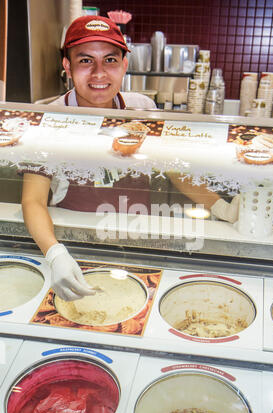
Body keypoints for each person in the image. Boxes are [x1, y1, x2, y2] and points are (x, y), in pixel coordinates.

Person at [21, 15, 239, 302]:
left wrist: (221, 207)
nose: (99, 73)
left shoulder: (142, 109)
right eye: (86, 61)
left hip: (138, 237)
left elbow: (173, 170)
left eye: (110, 60)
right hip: (75, 242)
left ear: (124, 65)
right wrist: (55, 254)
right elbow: (32, 200)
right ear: (68, 67)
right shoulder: (48, 119)